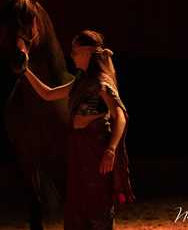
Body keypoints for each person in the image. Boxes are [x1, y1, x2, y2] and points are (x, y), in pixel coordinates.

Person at [20, 30, 135, 230]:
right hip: (79, 149)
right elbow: (48, 94)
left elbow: (120, 116)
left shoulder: (102, 81)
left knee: (97, 203)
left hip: (96, 150)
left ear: (88, 53)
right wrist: (26, 70)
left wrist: (111, 149)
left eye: (75, 51)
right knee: (77, 203)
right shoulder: (80, 81)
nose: (71, 55)